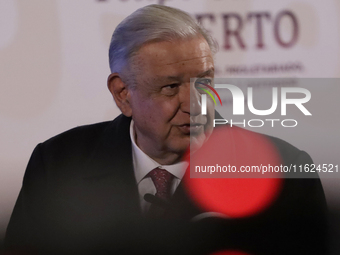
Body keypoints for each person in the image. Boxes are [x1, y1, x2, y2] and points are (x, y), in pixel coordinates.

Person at [4, 4, 328, 255]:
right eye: (171, 87)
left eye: (204, 81)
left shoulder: (284, 171)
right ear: (122, 94)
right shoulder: (58, 165)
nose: (195, 104)